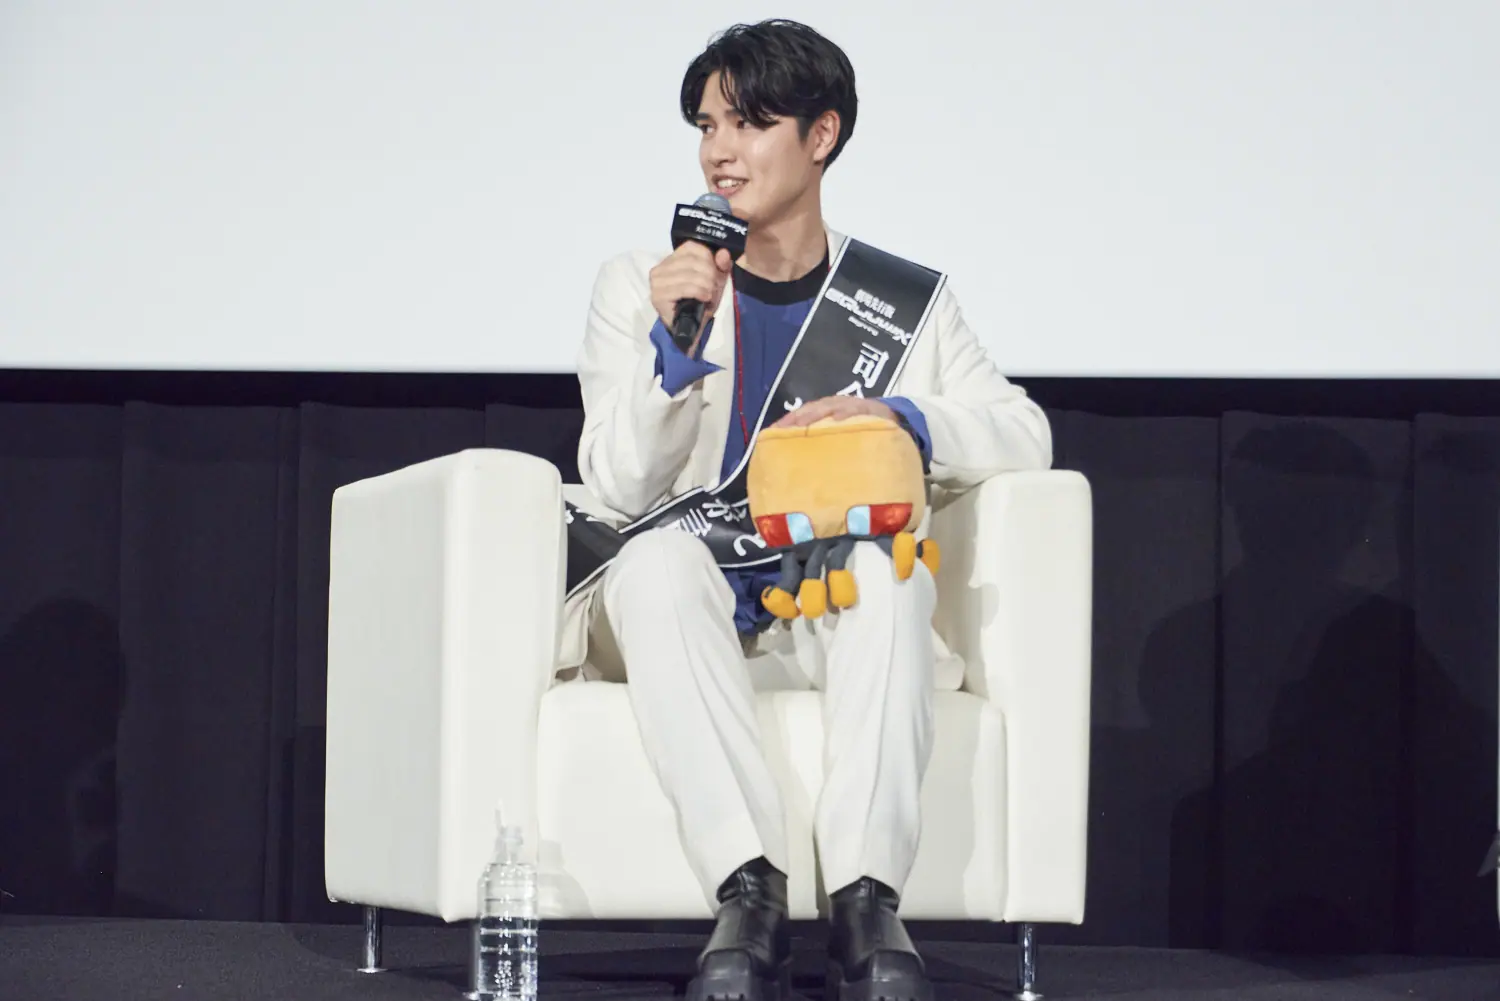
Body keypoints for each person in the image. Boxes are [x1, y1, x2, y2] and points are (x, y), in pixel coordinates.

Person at [564, 19, 1052, 1001]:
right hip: (682, 605)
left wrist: (903, 417)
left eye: (748, 123)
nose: (719, 151)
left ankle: (868, 901)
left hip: (815, 604)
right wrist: (673, 351)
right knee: (657, 562)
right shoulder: (643, 284)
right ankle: (748, 892)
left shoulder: (905, 303)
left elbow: (1024, 433)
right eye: (708, 126)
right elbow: (616, 484)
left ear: (820, 135)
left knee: (885, 565)